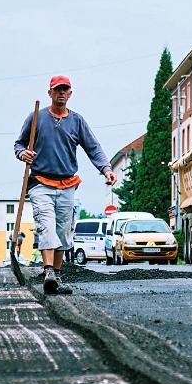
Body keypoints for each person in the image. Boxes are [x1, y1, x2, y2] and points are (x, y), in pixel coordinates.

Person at [14, 75, 117, 295]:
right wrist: (23, 153)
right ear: (50, 93)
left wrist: (106, 169)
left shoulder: (77, 121)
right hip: (40, 181)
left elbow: (93, 147)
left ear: (70, 94)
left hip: (67, 184)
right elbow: (19, 143)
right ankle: (48, 270)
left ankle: (56, 275)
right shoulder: (36, 118)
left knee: (63, 231)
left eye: (65, 90)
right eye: (57, 89)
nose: (61, 93)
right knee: (46, 225)